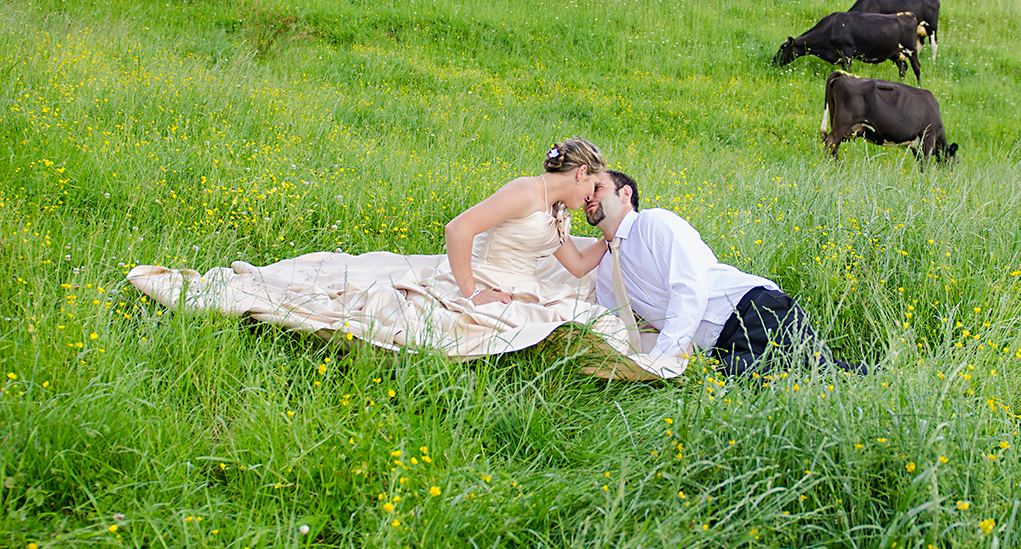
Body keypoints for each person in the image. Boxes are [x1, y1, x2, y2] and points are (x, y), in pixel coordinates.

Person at [126, 140, 688, 380]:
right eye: (592, 182)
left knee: (569, 318)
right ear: (579, 173)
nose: (592, 194)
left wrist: (617, 232)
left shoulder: (559, 216)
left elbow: (578, 268)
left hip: (521, 288)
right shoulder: (525, 191)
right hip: (484, 283)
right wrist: (469, 289)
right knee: (396, 312)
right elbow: (458, 228)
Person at [584, 169, 865, 377]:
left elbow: (689, 288)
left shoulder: (653, 223)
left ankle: (895, 372)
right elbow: (618, 325)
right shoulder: (607, 270)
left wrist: (660, 360)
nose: (588, 197)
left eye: (598, 188)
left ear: (625, 194)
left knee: (826, 375)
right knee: (768, 385)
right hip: (716, 350)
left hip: (754, 311)